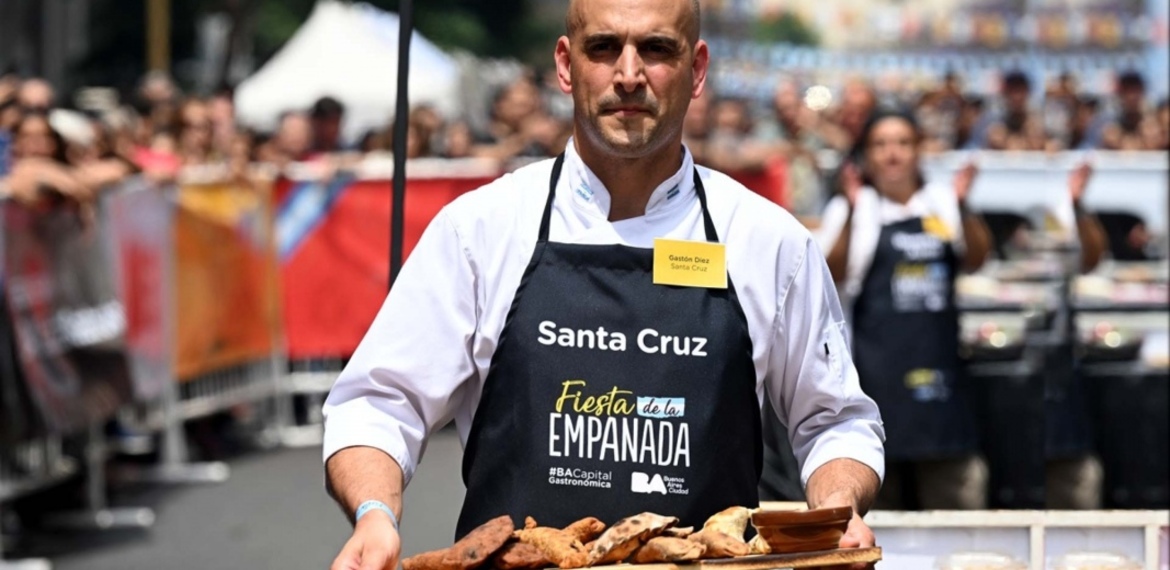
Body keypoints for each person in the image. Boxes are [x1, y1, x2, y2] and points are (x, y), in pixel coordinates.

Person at [323, 2, 885, 570]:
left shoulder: (768, 242)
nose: (629, 74)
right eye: (604, 47)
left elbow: (836, 417)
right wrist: (375, 514)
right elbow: (380, 401)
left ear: (696, 70)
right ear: (566, 65)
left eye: (658, 49)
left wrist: (837, 508)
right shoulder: (482, 228)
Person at [818, 110, 992, 510]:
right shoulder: (851, 209)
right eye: (880, 145)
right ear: (865, 155)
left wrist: (965, 207)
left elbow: (976, 259)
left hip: (941, 378)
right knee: (883, 512)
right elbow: (831, 275)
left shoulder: (943, 202)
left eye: (902, 143)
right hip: (875, 380)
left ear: (918, 151)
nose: (892, 154)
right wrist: (848, 208)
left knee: (955, 501)